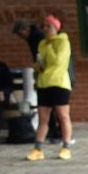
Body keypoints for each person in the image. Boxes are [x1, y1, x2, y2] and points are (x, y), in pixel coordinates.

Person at [26, 13, 72, 161]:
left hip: (59, 83)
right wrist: (37, 66)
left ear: (56, 28)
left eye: (49, 26)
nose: (45, 29)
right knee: (43, 119)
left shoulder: (63, 42)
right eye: (44, 26)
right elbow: (40, 62)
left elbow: (57, 61)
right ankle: (37, 148)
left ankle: (66, 147)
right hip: (44, 83)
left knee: (63, 117)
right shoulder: (42, 43)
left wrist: (50, 46)